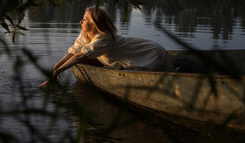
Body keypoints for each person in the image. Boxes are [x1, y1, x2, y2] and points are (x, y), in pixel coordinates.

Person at [39, 7, 172, 88]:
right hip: (143, 53)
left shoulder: (104, 38)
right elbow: (74, 52)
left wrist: (57, 73)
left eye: (84, 20)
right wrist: (55, 69)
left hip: (152, 54)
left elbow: (79, 57)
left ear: (94, 23)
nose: (81, 22)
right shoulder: (85, 35)